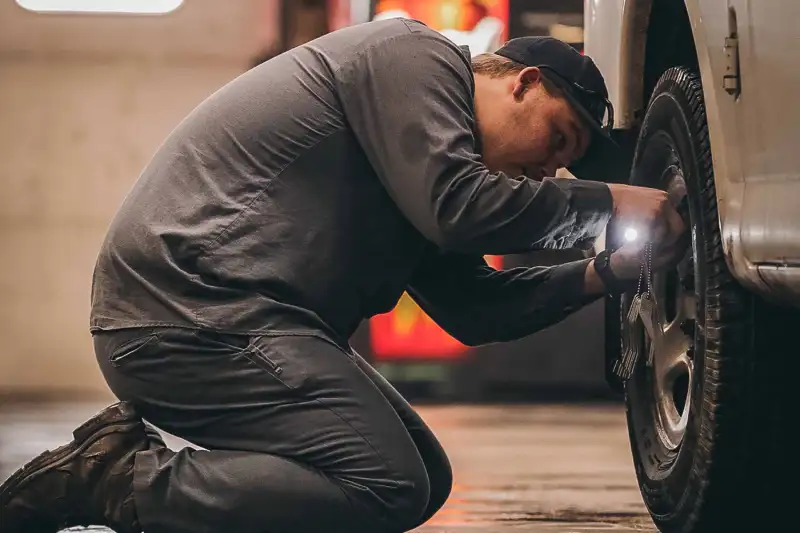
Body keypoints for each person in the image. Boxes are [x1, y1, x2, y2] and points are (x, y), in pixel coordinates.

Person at [0, 17, 686, 533]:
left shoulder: (424, 164)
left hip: (235, 317)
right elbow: (459, 208)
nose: (548, 168)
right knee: (384, 478)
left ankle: (130, 475)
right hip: (189, 308)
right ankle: (117, 478)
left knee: (422, 479)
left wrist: (605, 271)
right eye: (557, 139)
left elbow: (478, 309)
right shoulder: (411, 59)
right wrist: (608, 207)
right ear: (522, 82)